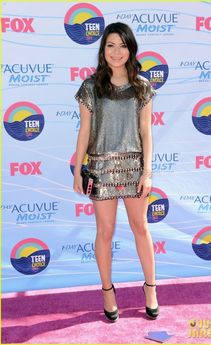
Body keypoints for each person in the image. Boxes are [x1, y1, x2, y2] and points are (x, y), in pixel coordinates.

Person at [73, 22, 158, 322]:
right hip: (100, 169)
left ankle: (150, 289)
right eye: (111, 45)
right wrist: (78, 169)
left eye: (122, 45)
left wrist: (147, 172)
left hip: (134, 168)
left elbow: (146, 131)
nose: (117, 52)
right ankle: (107, 292)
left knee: (141, 229)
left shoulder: (142, 87)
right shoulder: (90, 87)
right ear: (103, 50)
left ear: (131, 49)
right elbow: (84, 130)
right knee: (105, 233)